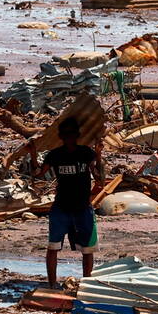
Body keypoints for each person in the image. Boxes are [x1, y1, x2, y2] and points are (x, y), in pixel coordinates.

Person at [25, 117, 104, 287]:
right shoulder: (55, 155)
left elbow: (99, 178)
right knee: (53, 246)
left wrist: (98, 154)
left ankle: (87, 285)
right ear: (61, 136)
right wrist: (32, 154)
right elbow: (38, 173)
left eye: (72, 134)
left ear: (77, 135)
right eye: (66, 134)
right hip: (61, 207)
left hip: (83, 207)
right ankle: (52, 284)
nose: (69, 137)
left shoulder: (86, 153)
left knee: (87, 249)